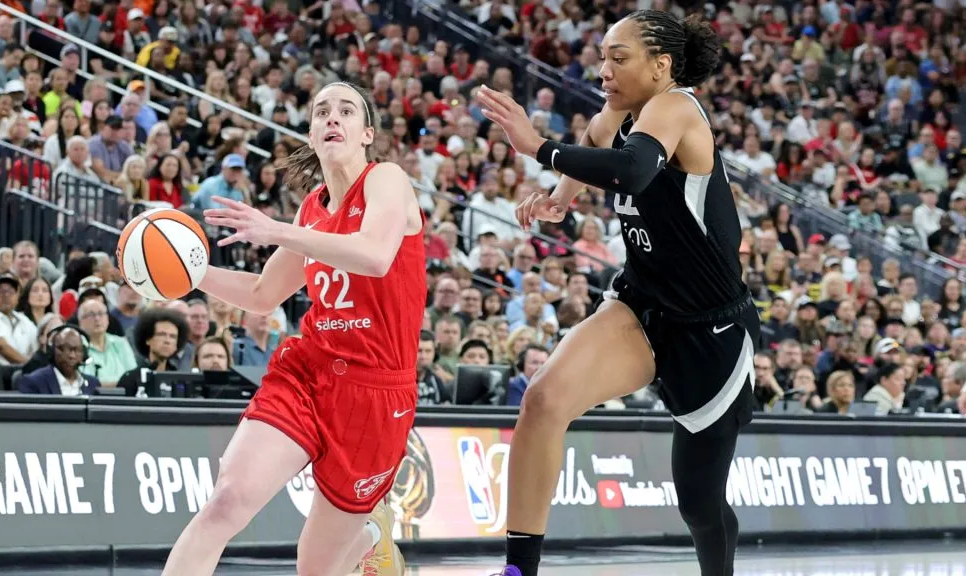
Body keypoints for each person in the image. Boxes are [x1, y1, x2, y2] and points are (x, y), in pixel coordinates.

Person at [477, 11, 759, 576]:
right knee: (543, 399)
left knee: (699, 505)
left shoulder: (677, 107)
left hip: (711, 330)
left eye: (618, 57)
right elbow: (597, 138)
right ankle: (517, 570)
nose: (602, 68)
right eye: (602, 55)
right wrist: (561, 196)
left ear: (662, 66)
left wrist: (539, 148)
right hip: (640, 305)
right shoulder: (615, 114)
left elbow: (633, 171)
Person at [162, 81, 426, 576]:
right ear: (309, 132)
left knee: (315, 568)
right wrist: (187, 276)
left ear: (367, 133)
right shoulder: (312, 210)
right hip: (310, 370)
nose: (333, 118)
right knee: (226, 501)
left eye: (346, 111)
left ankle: (373, 532)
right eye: (321, 110)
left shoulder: (386, 179)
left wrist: (276, 230)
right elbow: (263, 294)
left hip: (377, 391)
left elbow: (374, 255)